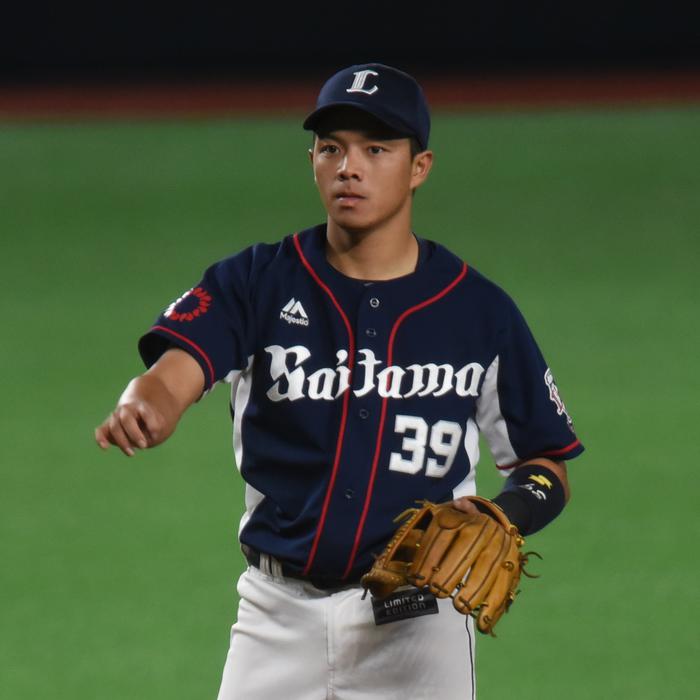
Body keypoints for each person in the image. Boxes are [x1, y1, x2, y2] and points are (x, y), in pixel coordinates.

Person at [95, 63, 584, 699]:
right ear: (313, 161)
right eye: (332, 148)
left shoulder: (478, 312)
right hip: (275, 615)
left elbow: (546, 464)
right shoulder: (257, 281)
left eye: (376, 150)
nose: (349, 168)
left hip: (419, 624)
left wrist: (504, 512)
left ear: (419, 167)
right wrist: (146, 404)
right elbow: (171, 374)